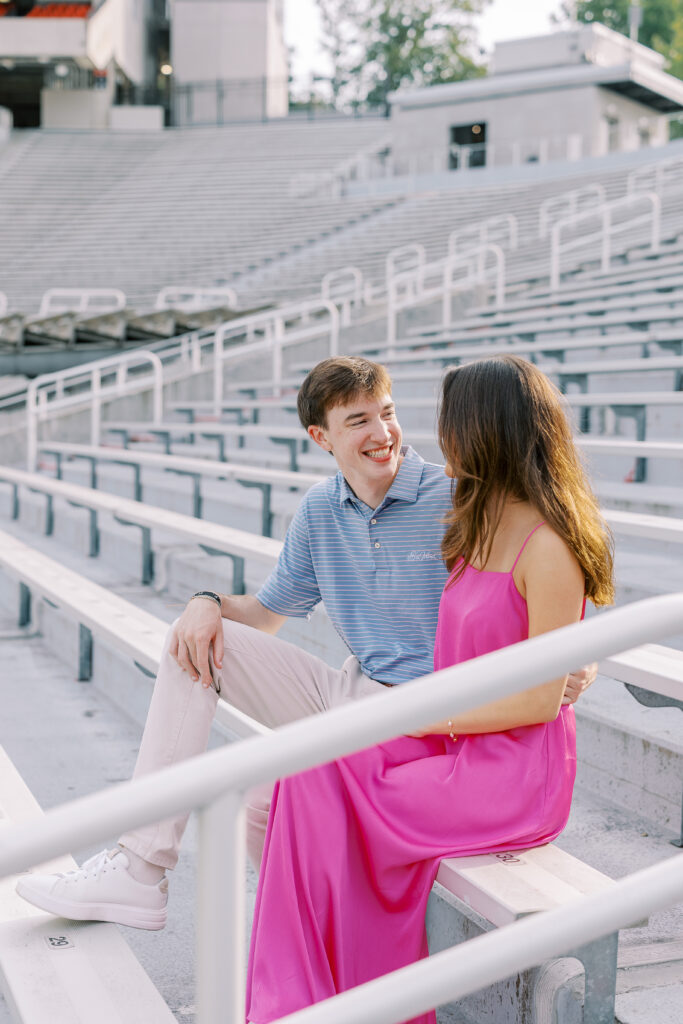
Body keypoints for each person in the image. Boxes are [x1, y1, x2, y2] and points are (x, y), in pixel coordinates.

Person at [16, 356, 597, 934]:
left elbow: (550, 572)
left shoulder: (456, 496)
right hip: (350, 690)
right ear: (321, 437)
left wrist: (582, 658)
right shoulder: (320, 512)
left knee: (261, 806)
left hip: (425, 710)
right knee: (191, 643)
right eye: (358, 421)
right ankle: (141, 868)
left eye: (387, 413)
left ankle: (323, 944)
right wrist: (207, 602)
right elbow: (266, 617)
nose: (382, 433)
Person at [244, 354, 614, 1024]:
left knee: (325, 784)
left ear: (486, 429)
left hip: (512, 771)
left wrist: (418, 720)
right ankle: (305, 994)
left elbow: (537, 700)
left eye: (450, 422)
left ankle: (353, 999)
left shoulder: (548, 543)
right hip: (452, 743)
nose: (436, 437)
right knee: (300, 773)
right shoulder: (471, 518)